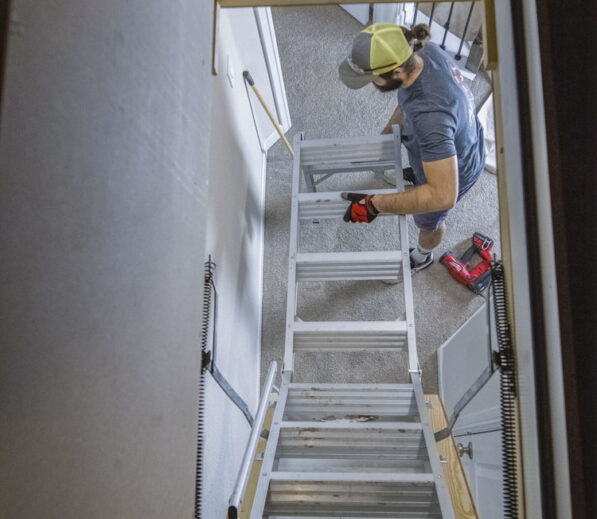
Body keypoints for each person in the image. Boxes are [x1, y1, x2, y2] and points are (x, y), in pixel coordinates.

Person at [339, 23, 486, 271]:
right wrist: (386, 138)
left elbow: (443, 196)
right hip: (456, 136)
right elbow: (405, 103)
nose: (371, 84)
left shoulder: (430, 118)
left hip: (456, 169)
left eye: (372, 78)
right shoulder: (421, 53)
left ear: (396, 71)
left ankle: (422, 257)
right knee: (423, 170)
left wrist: (375, 204)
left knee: (428, 221)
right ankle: (419, 173)